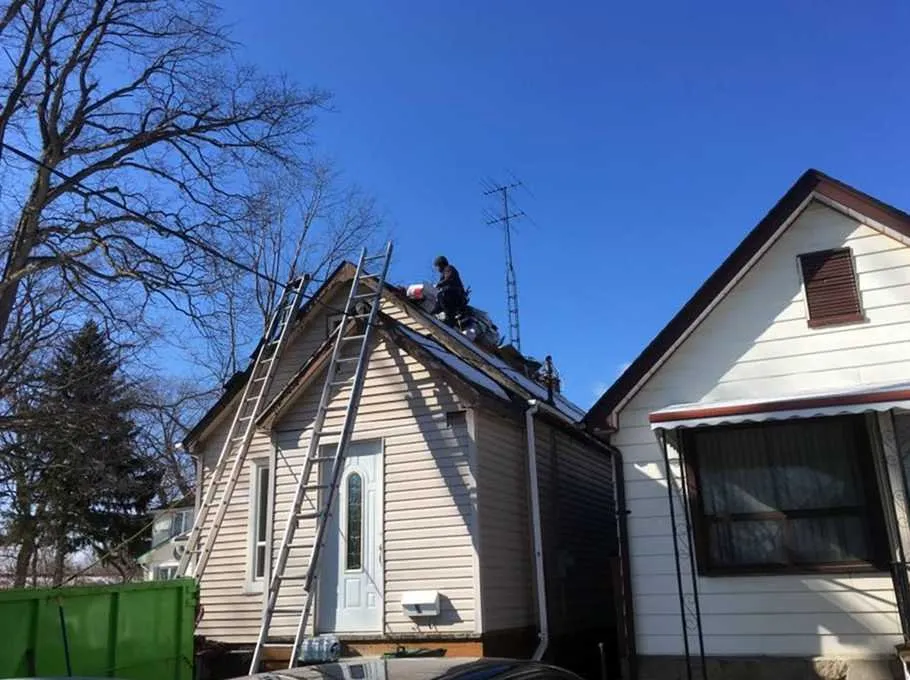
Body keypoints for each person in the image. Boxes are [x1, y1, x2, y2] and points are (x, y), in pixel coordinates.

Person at [430, 255, 467, 325]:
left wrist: (439, 284)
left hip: (456, 295)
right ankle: (433, 314)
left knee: (441, 296)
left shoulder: (449, 268)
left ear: (441, 264)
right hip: (451, 295)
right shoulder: (443, 274)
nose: (437, 269)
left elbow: (449, 278)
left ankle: (450, 318)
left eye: (437, 266)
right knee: (438, 300)